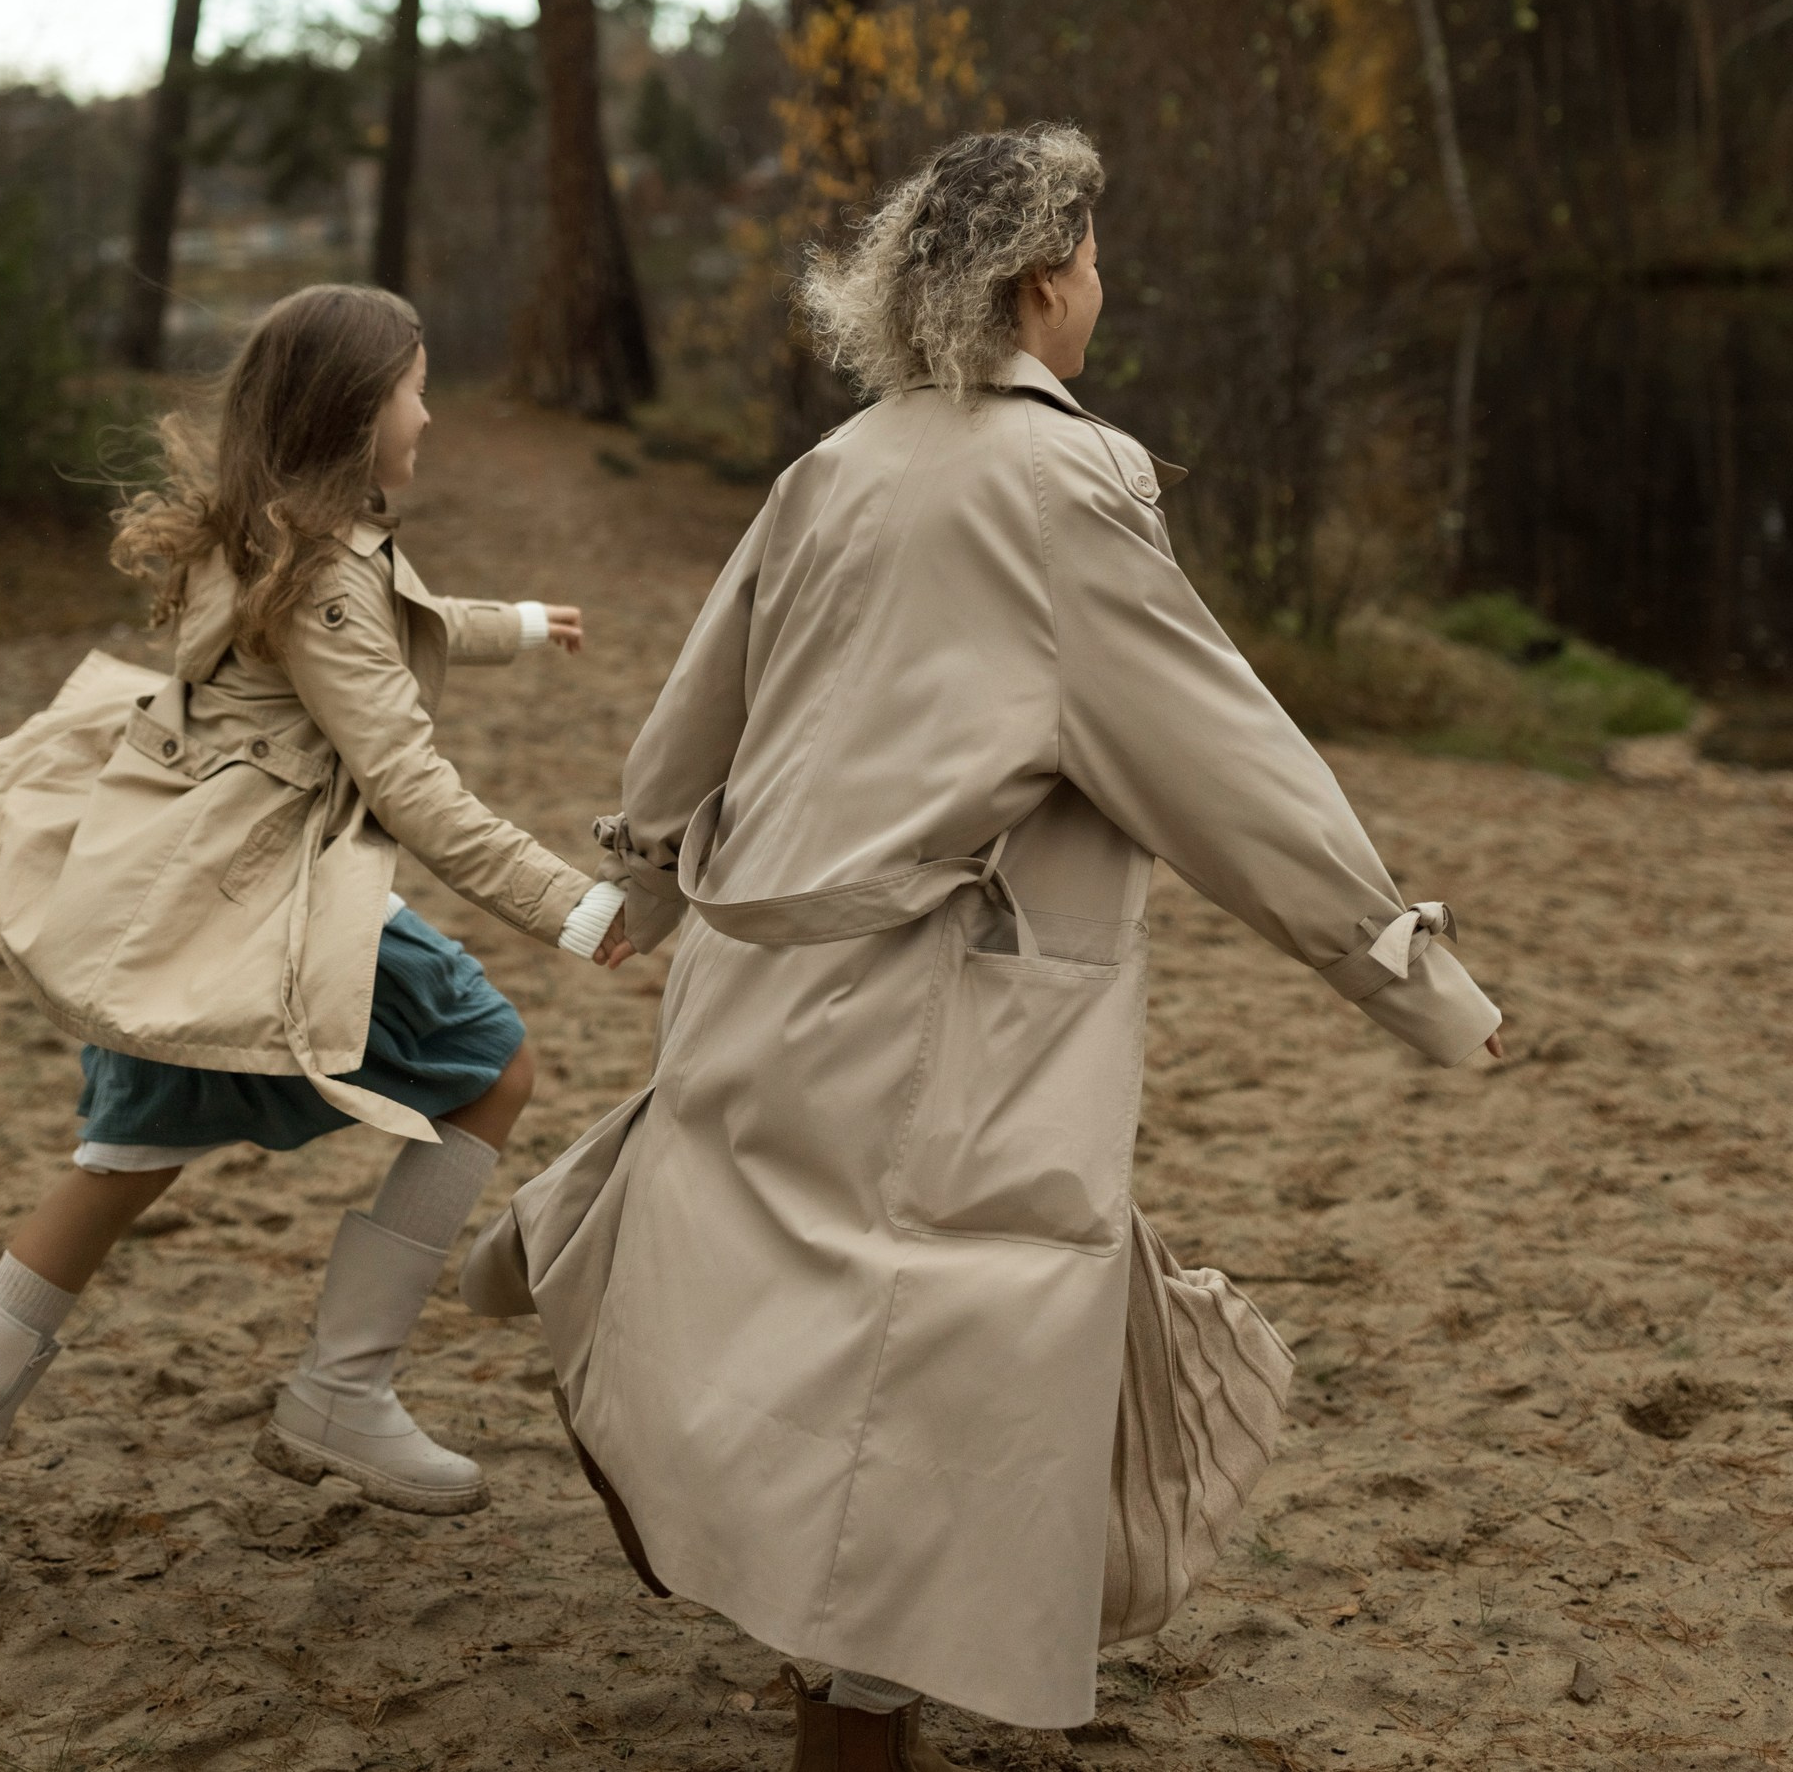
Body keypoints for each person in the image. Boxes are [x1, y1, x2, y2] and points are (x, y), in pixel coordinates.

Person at [464, 126, 1505, 1765]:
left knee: (803, 1313)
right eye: (1090, 258)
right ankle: (845, 1723)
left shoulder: (840, 461)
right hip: (934, 1012)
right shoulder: (1064, 487)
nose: (1103, 283)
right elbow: (1229, 766)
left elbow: (698, 706)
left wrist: (651, 886)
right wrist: (1411, 973)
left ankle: (770, 1599)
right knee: (928, 1366)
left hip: (765, 984)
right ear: (1037, 285)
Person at [0, 283, 631, 1608]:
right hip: (257, 896)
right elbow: (409, 780)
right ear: (355, 413)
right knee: (491, 1061)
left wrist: (510, 624)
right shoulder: (323, 576)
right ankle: (339, 1391)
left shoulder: (276, 535)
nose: (430, 414)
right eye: (416, 391)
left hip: (173, 892)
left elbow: (391, 623)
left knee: (115, 1169)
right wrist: (574, 906)